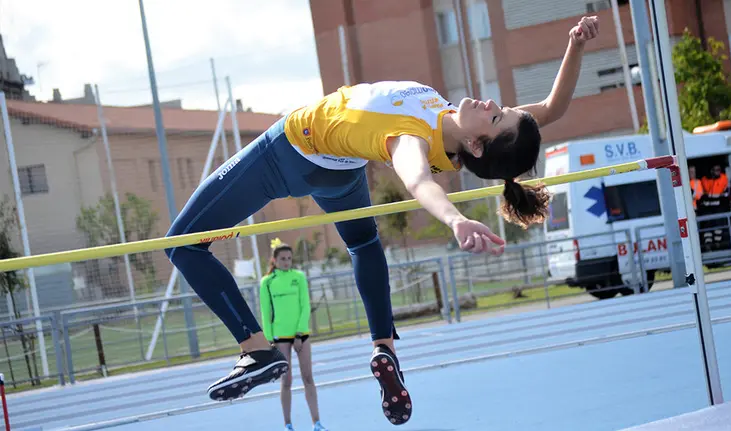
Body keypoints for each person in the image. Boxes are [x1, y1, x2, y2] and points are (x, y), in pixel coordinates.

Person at [163, 15, 600, 426]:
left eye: (494, 115)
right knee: (363, 244)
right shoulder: (449, 120)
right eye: (499, 106)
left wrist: (454, 219)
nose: (490, 102)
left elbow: (419, 183)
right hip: (341, 167)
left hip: (289, 151)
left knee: (182, 243)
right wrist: (574, 46)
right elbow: (549, 109)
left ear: (477, 144)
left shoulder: (411, 138)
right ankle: (383, 348)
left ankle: (255, 348)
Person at [260, 239, 327, 431]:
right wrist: (269, 339)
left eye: (289, 258)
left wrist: (299, 333)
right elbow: (266, 312)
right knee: (286, 380)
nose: (287, 262)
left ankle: (317, 423)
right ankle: (288, 424)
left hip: (301, 335)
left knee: (308, 377)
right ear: (274, 260)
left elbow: (305, 306)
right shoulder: (267, 282)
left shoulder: (299, 277)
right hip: (280, 337)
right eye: (282, 259)